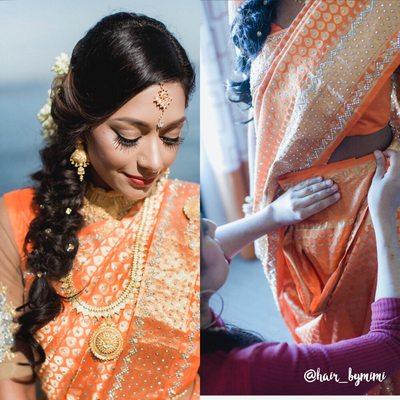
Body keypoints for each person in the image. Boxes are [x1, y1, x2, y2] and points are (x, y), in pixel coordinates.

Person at [0, 12, 199, 400]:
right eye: (128, 137)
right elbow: (12, 371)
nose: (154, 162)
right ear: (83, 123)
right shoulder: (18, 219)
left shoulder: (189, 214)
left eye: (172, 136)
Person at [229, 0, 400, 393]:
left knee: (380, 340)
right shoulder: (246, 3)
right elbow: (258, 106)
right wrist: (260, 202)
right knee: (328, 348)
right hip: (293, 214)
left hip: (370, 202)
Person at [200, 149, 400, 395]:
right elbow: (389, 348)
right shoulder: (249, 370)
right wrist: (384, 217)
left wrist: (272, 214)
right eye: (201, 232)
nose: (212, 225)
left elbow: (215, 248)